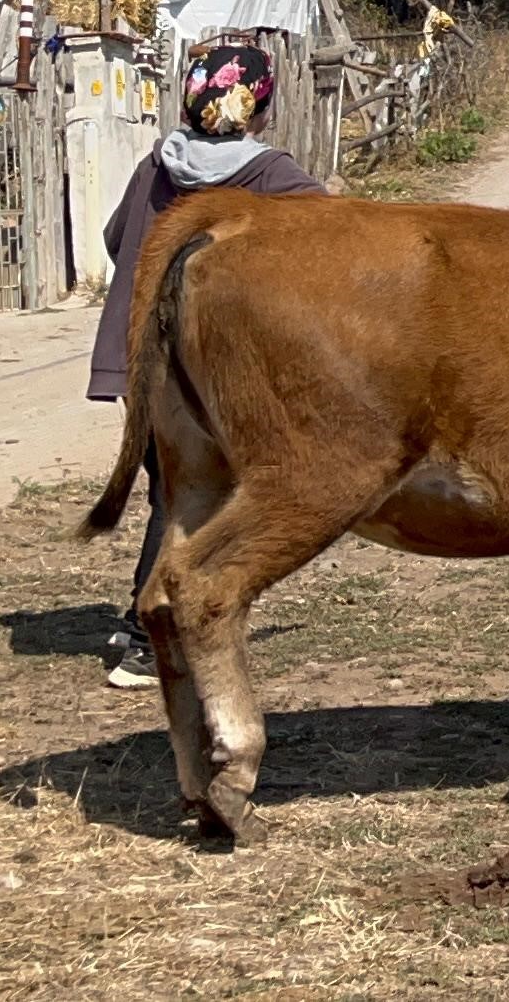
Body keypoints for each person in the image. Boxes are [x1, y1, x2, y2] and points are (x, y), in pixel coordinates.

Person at [88, 41, 325, 689]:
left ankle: (141, 621)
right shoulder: (274, 177)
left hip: (142, 357)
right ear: (259, 108)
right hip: (209, 365)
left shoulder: (154, 166)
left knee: (170, 488)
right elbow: (329, 241)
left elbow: (114, 240)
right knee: (193, 498)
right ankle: (146, 640)